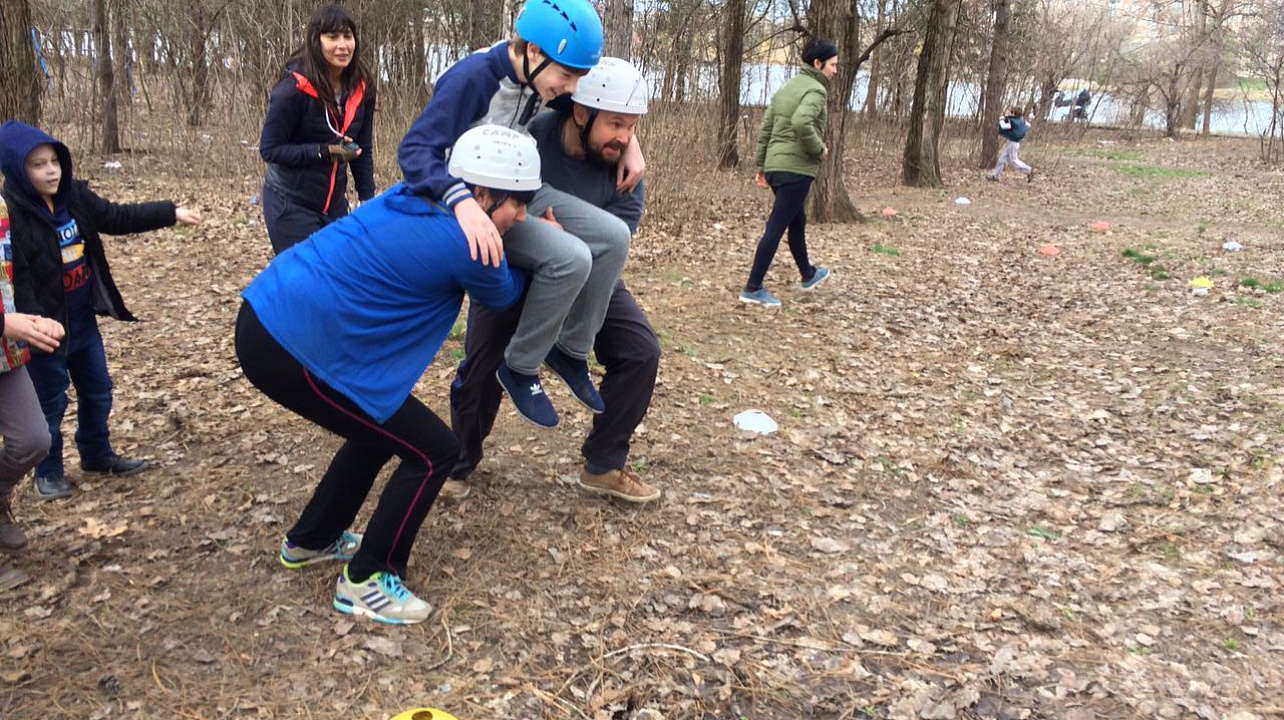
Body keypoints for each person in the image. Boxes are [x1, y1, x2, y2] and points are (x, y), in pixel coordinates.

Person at [236, 125, 537, 625]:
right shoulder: (467, 240)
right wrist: (556, 251)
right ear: (482, 194)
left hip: (271, 320)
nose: (522, 216)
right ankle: (368, 579)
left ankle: (312, 539)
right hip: (293, 347)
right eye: (518, 204)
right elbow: (506, 294)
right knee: (435, 451)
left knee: (376, 429)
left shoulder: (415, 193)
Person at [399, 0, 645, 430]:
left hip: (516, 196)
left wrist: (629, 141)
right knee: (571, 258)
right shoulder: (474, 79)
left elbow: (596, 104)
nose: (571, 89)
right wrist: (462, 203)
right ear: (533, 52)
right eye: (567, 76)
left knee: (612, 238)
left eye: (576, 78)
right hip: (466, 209)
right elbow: (415, 152)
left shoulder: (538, 78)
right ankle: (520, 367)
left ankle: (570, 351)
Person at [447, 57, 660, 503]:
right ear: (582, 113)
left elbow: (608, 250)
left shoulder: (626, 173)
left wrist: (567, 246)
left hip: (587, 278)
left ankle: (603, 464)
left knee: (640, 351)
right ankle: (457, 463)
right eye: (617, 124)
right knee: (482, 367)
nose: (624, 138)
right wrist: (546, 239)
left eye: (633, 127)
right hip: (513, 265)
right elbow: (487, 204)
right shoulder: (530, 138)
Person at [0, 121, 201, 502]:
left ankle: (97, 454)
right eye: (38, 164)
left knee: (98, 390)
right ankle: (49, 472)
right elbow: (18, 279)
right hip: (43, 327)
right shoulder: (12, 214)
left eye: (54, 161)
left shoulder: (74, 198)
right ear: (16, 170)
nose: (51, 170)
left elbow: (117, 217)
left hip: (83, 320)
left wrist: (169, 212)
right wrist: (34, 321)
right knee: (50, 401)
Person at [259, 4, 376, 254]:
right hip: (289, 200)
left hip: (333, 205)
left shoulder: (362, 86)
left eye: (347, 36)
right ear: (316, 40)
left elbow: (362, 148)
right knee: (307, 280)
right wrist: (324, 152)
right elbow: (270, 149)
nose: (342, 46)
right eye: (332, 37)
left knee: (338, 274)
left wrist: (367, 198)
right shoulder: (292, 90)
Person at [740, 37, 836, 308]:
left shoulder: (787, 89)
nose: (835, 70)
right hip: (796, 168)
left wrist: (762, 166)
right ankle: (753, 287)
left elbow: (766, 130)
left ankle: (808, 273)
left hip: (776, 167)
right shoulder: (816, 91)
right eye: (832, 65)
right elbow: (801, 122)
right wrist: (819, 149)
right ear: (817, 64)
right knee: (777, 226)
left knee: (797, 220)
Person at [0, 195, 63, 590]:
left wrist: (35, 319)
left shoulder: (1, 206)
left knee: (34, 440)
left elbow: (16, 273)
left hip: (4, 353)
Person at [988, 106, 1034, 183]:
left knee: (1014, 161)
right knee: (1001, 159)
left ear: (1013, 113)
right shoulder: (1021, 121)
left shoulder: (1013, 122)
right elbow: (1028, 125)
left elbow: (1003, 126)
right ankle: (995, 176)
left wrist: (1001, 120)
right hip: (1012, 142)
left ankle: (1028, 170)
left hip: (1013, 143)